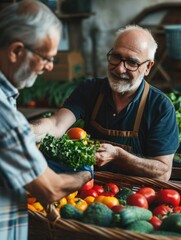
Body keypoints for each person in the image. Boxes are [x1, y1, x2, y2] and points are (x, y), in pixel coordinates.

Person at [31, 25, 179, 181]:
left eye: (132, 62)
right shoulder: (90, 90)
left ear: (148, 67)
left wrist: (119, 156)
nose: (120, 69)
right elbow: (55, 125)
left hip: (136, 194)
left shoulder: (160, 107)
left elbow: (163, 172)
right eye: (116, 57)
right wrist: (24, 132)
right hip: (89, 187)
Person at [0, 1, 92, 240]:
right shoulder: (5, 115)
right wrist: (85, 174)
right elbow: (51, 189)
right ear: (16, 51)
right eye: (45, 57)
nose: (50, 67)